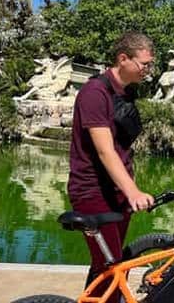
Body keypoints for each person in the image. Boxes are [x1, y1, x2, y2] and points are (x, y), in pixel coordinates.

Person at [67, 31, 156, 298]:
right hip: (93, 192)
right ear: (123, 59)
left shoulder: (125, 92)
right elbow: (105, 151)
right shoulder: (95, 92)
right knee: (111, 265)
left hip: (115, 193)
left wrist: (127, 191)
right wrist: (134, 192)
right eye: (144, 64)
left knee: (108, 268)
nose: (148, 70)